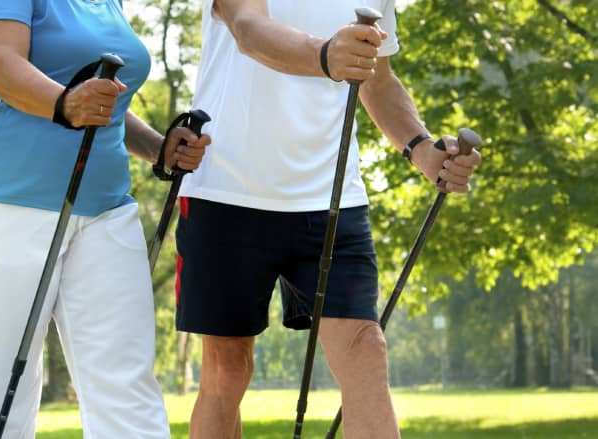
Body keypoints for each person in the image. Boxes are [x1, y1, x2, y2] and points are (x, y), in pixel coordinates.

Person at [174, 1, 482, 438]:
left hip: (333, 200)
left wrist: (423, 150)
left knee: (366, 351)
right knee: (226, 371)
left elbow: (378, 80)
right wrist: (326, 56)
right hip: (227, 192)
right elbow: (248, 29)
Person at [0, 1, 209, 438]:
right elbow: (1, 62)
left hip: (105, 208)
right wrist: (64, 104)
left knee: (126, 385)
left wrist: (159, 148)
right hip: (0, 200)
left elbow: (104, 99)